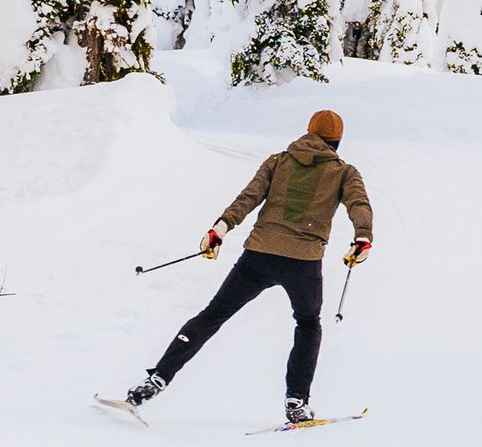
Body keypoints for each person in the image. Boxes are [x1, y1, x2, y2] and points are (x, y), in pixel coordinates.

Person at [124, 109, 372, 424]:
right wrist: (362, 238)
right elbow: (359, 205)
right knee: (308, 324)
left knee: (213, 315)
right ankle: (297, 401)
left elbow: (249, 197)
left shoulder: (278, 161)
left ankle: (157, 378)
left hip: (259, 256)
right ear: (337, 141)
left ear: (308, 133)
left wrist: (220, 229)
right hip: (303, 262)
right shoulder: (344, 173)